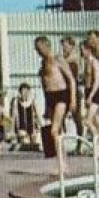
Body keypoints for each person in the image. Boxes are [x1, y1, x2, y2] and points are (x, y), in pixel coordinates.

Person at [34, 36, 74, 165]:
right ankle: (63, 161)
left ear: (46, 46)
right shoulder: (43, 63)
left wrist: (73, 99)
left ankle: (61, 163)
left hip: (62, 95)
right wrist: (46, 106)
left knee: (54, 130)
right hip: (50, 97)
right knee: (58, 131)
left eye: (39, 49)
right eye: (36, 50)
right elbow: (45, 86)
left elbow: (71, 80)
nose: (38, 52)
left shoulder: (58, 59)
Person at [11, 83, 40, 150]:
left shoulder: (33, 101)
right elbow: (13, 116)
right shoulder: (16, 102)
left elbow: (37, 114)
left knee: (35, 143)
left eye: (26, 91)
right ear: (20, 92)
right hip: (21, 128)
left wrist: (40, 125)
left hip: (33, 127)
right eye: (23, 91)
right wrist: (12, 130)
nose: (24, 93)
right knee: (26, 144)